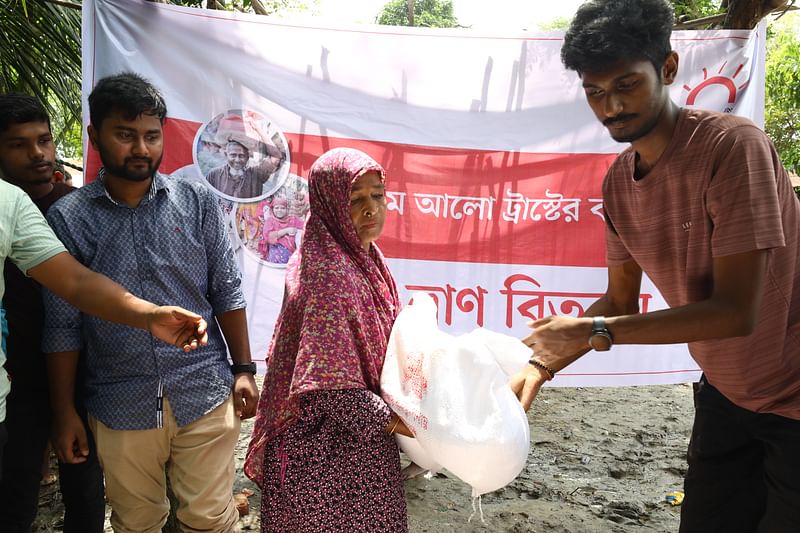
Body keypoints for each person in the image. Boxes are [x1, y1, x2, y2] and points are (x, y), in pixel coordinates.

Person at [511, 1, 800, 532]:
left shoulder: (732, 148)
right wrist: (540, 364)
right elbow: (618, 302)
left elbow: (737, 313)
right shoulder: (619, 183)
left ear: (667, 69)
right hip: (725, 392)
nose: (611, 106)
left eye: (626, 84)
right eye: (595, 93)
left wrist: (597, 330)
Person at [42, 72, 258, 533]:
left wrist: (244, 370)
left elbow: (227, 290)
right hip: (121, 401)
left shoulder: (196, 201)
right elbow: (62, 326)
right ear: (95, 135)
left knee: (209, 520)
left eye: (151, 136)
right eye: (125, 135)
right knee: (136, 523)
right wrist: (64, 412)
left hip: (203, 388)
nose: (141, 148)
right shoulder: (69, 219)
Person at [245, 148, 412, 532]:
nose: (371, 209)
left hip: (365, 445)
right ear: (330, 203)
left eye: (378, 196)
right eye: (355, 199)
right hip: (321, 455)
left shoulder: (367, 259)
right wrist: (411, 428)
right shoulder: (326, 273)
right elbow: (329, 388)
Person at [0, 93, 105, 532]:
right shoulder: (5, 210)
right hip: (17, 378)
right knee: (14, 491)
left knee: (85, 487)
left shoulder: (80, 209)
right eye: (19, 144)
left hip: (82, 371)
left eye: (43, 140)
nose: (38, 153)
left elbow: (89, 289)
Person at [205, 129, 283, 199]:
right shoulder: (214, 175)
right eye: (233, 155)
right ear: (226, 155)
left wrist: (257, 128)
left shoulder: (257, 174)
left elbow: (276, 156)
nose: (237, 160)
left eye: (241, 156)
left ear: (248, 157)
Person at [257, 196, 304, 263]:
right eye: (277, 208)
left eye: (282, 208)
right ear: (272, 208)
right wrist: (286, 230)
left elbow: (305, 227)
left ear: (287, 209)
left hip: (291, 257)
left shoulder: (293, 220)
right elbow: (269, 237)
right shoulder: (270, 221)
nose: (279, 210)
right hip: (275, 257)